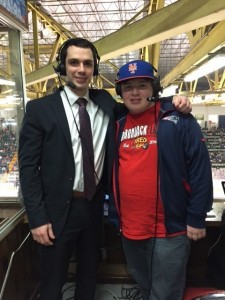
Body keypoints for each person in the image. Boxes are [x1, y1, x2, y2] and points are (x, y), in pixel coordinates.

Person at [18, 38, 192, 300]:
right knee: (52, 280)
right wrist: (37, 218)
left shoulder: (105, 102)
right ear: (62, 67)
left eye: (87, 64)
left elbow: (141, 101)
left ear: (94, 69)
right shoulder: (39, 109)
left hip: (93, 207)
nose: (81, 69)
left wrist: (174, 101)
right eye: (74, 62)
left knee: (89, 274)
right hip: (55, 212)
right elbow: (28, 167)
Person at [111, 59, 213, 300]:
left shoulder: (177, 118)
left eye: (142, 85)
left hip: (170, 229)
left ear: (154, 89)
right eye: (128, 87)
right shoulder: (116, 123)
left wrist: (197, 215)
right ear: (120, 93)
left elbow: (199, 167)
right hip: (130, 227)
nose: (135, 92)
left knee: (165, 293)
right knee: (145, 288)